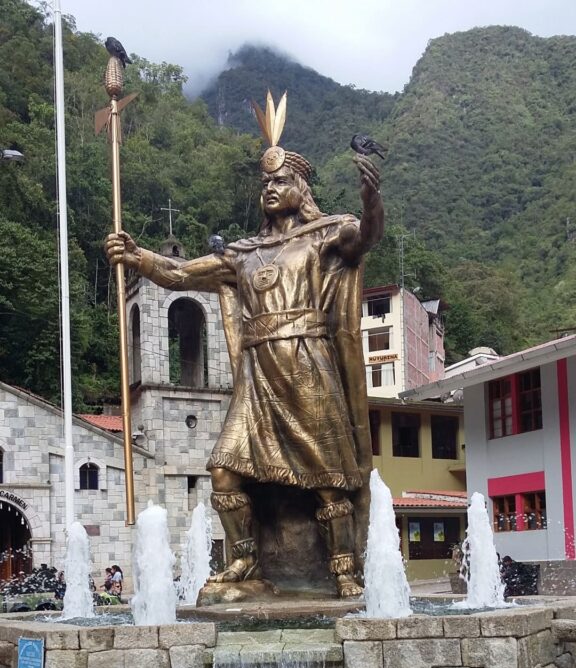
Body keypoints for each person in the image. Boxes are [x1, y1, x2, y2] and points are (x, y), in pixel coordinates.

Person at [105, 94, 384, 597]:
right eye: (265, 184)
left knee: (327, 476)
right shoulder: (243, 253)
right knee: (223, 470)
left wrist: (370, 196)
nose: (270, 190)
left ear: (301, 188)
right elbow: (180, 274)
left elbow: (366, 236)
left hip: (307, 363)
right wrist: (138, 255)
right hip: (257, 377)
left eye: (281, 181)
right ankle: (244, 561)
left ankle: (343, 568)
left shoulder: (325, 235)